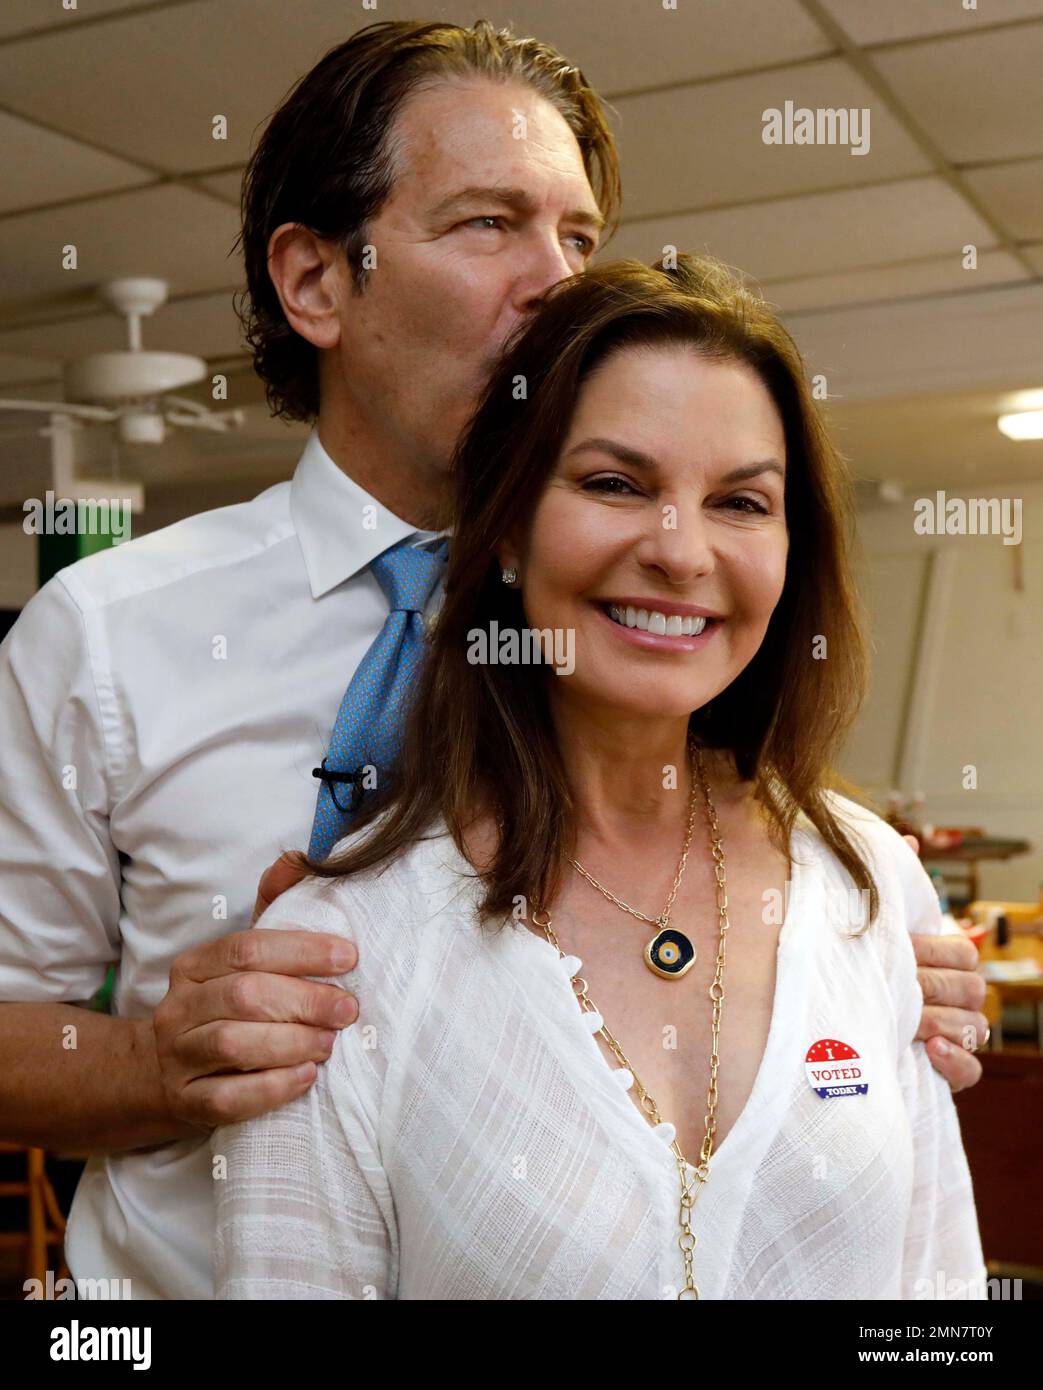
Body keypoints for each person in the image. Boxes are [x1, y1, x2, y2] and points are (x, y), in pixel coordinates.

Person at [0, 21, 985, 1301]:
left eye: (578, 237)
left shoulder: (642, 621)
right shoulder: (108, 632)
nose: (559, 282)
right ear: (315, 282)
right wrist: (150, 1062)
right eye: (486, 226)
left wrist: (860, 981)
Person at [211, 254, 987, 1300]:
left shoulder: (868, 886)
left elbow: (935, 1298)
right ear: (507, 535)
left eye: (740, 502)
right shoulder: (346, 947)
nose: (680, 551)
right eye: (613, 483)